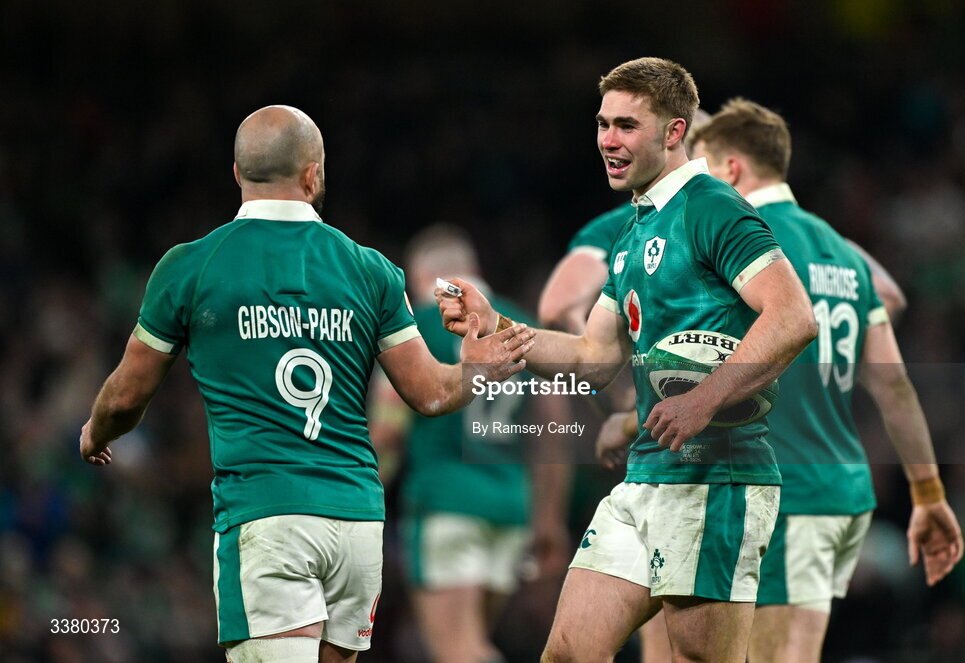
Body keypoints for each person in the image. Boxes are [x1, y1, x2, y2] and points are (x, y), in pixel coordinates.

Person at [78, 105, 534, 663]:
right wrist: (477, 368)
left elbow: (126, 397)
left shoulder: (191, 266)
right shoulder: (371, 270)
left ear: (238, 174)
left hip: (267, 518)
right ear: (314, 175)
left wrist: (95, 432)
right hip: (357, 526)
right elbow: (431, 393)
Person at [438, 58, 818, 663]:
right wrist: (497, 325)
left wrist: (703, 398)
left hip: (716, 478)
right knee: (566, 653)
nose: (608, 141)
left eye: (626, 126)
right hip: (645, 481)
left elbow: (794, 316)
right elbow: (591, 356)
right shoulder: (634, 232)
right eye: (602, 124)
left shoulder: (712, 208)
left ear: (673, 132)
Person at [681, 98, 963, 662]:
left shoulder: (741, 245)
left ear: (730, 169)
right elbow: (895, 387)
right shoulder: (847, 254)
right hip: (843, 495)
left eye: (704, 167)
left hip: (786, 493)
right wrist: (928, 494)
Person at [369, 224, 571, 663]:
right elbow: (554, 428)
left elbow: (387, 430)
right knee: (474, 642)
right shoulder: (521, 324)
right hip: (510, 509)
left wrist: (359, 501)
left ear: (422, 279)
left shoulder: (416, 326)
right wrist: (548, 517)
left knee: (457, 651)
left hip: (444, 506)